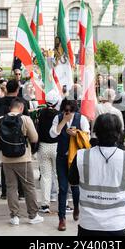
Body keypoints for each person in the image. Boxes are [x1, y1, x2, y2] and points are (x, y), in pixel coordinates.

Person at [68, 113, 125, 236]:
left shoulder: (82, 156)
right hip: (117, 224)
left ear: (96, 132)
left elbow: (73, 182)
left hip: (88, 223)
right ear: (119, 132)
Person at [0, 98, 43, 225]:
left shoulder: (0, 120)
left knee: (11, 187)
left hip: (6, 159)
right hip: (24, 159)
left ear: (11, 108)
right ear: (21, 108)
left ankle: (14, 216)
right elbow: (35, 138)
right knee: (29, 187)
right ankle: (33, 215)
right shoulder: (26, 119)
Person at [49, 99, 90, 231]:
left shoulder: (81, 118)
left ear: (75, 110)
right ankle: (62, 218)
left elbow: (87, 136)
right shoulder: (58, 118)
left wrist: (77, 133)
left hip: (76, 158)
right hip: (61, 157)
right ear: (62, 110)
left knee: (76, 187)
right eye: (66, 110)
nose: (68, 113)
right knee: (62, 188)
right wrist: (63, 122)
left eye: (71, 111)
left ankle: (76, 207)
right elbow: (52, 134)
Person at [0, 80, 29, 199]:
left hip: (4, 139)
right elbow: (27, 120)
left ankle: (5, 192)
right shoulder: (22, 102)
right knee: (21, 167)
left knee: (5, 165)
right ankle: (21, 192)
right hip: (20, 139)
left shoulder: (0, 102)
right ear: (17, 89)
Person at [36, 91, 60, 214]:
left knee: (45, 176)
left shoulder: (41, 113)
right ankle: (63, 203)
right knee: (59, 175)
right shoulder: (59, 114)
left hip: (43, 147)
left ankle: (45, 204)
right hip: (56, 146)